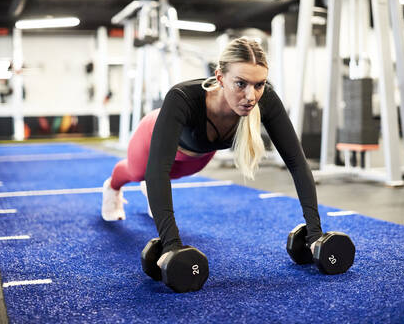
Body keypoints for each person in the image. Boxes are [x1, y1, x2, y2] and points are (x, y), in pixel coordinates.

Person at [101, 37, 322, 266]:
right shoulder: (183, 97)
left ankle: (151, 191)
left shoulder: (265, 100)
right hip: (151, 136)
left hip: (199, 156)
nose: (251, 96)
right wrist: (171, 245)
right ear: (220, 77)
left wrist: (315, 235)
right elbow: (158, 169)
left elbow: (296, 162)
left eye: (259, 84)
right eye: (240, 84)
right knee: (140, 173)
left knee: (173, 176)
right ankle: (112, 188)